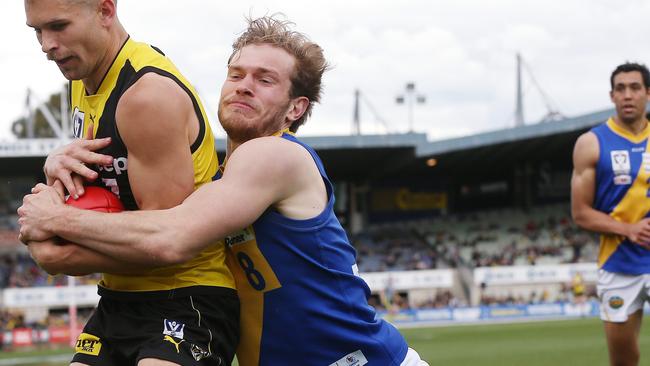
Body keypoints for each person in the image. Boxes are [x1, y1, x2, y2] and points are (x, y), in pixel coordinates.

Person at [19, 15, 429, 366]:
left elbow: (170, 235)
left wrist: (56, 218)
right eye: (236, 74)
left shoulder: (276, 156)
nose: (244, 85)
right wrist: (59, 161)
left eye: (265, 80)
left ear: (295, 108)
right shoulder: (223, 181)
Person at [23, 0, 238, 365]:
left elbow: (165, 244)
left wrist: (57, 237)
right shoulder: (84, 79)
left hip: (187, 297)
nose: (46, 44)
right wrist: (54, 166)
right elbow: (97, 190)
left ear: (106, 11)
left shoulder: (145, 95)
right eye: (37, 31)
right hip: (117, 298)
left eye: (58, 26)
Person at [571, 62, 650, 366]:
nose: (627, 95)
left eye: (634, 87)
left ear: (647, 93)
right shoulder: (591, 144)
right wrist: (629, 229)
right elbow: (580, 214)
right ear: (611, 95)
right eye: (620, 89)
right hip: (618, 266)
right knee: (623, 360)